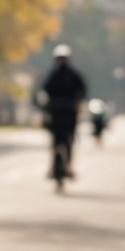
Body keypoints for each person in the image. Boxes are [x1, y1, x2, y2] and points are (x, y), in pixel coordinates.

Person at [39, 45, 87, 184]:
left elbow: (44, 92)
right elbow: (82, 91)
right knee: (65, 140)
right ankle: (63, 166)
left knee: (62, 140)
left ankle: (63, 166)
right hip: (64, 113)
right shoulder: (70, 74)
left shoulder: (56, 74)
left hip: (62, 113)